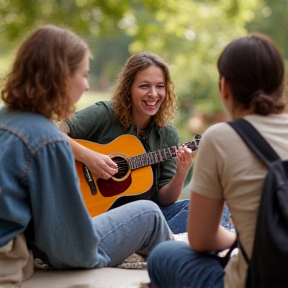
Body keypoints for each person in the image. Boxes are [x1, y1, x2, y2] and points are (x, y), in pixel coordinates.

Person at [0, 24, 172, 283]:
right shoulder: (47, 139)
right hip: (16, 259)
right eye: (83, 75)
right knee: (149, 213)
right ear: (59, 77)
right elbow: (66, 248)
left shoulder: (6, 119)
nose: (86, 86)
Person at [147, 33, 287, 288]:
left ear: (224, 87)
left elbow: (202, 239)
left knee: (163, 255)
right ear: (280, 84)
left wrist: (239, 239)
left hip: (256, 279)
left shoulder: (221, 136)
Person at [59, 51, 231, 234]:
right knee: (156, 215)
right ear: (128, 88)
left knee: (218, 208)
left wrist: (181, 173)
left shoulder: (166, 134)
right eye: (144, 86)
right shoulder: (105, 114)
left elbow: (164, 200)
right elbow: (50, 131)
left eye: (160, 86)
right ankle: (152, 241)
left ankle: (145, 240)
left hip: (144, 220)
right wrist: (90, 158)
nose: (153, 94)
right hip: (96, 215)